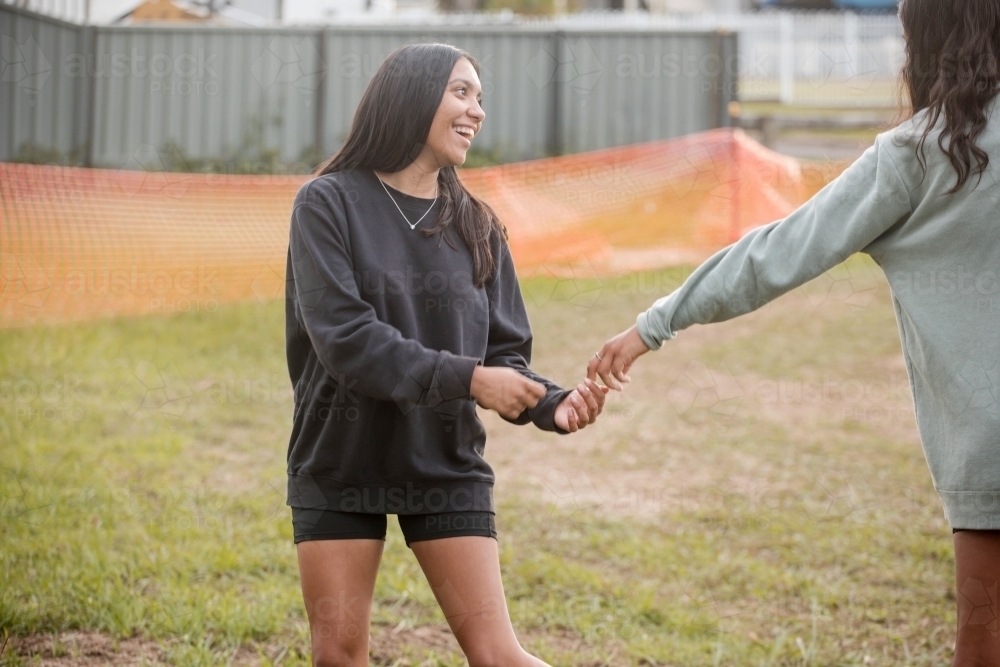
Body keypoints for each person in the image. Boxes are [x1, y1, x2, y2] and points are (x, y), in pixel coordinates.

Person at [588, 1, 1000, 664]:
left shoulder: (917, 153)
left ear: (924, 41)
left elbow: (776, 253)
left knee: (981, 645)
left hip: (990, 453)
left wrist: (652, 324)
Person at [284, 43, 609, 666]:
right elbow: (345, 339)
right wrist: (471, 379)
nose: (477, 111)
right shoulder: (327, 203)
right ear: (411, 95)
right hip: (340, 457)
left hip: (444, 462)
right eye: (462, 92)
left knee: (499, 656)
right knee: (338, 656)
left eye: (480, 98)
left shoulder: (478, 226)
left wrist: (550, 404)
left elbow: (505, 355)